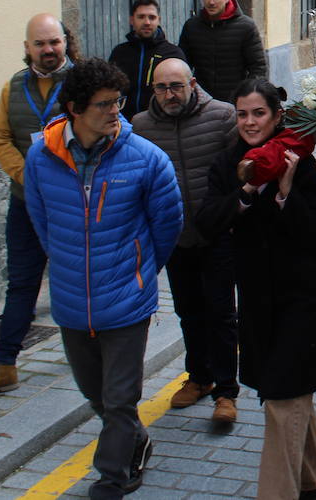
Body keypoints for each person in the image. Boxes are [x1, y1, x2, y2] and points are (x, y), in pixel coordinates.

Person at [23, 59, 183, 499]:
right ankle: (135, 439)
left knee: (118, 398)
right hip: (73, 300)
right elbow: (42, 223)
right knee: (94, 394)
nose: (115, 112)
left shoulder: (147, 159)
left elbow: (167, 226)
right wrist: (69, 265)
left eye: (118, 101)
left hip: (126, 299)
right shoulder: (40, 157)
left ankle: (114, 475)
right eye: (104, 104)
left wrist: (139, 271)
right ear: (74, 108)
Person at [199, 79, 316, 499]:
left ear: (277, 116)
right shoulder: (229, 164)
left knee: (282, 395)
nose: (249, 122)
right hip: (260, 299)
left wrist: (284, 192)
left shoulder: (300, 162)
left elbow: (314, 229)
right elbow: (207, 221)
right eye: (242, 114)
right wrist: (246, 190)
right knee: (289, 390)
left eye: (258, 113)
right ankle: (314, 477)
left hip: (304, 296)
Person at [0, 14, 73, 397]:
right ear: (27, 48)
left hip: (71, 206)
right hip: (25, 204)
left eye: (54, 42)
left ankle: (97, 361)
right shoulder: (13, 87)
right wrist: (27, 176)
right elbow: (1, 136)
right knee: (21, 285)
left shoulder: (81, 83)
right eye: (39, 44)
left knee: (76, 281)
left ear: (65, 42)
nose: (48, 50)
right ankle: (4, 364)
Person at [131, 58, 240, 424]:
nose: (169, 94)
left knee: (221, 313)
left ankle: (227, 390)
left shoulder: (223, 117)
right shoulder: (140, 127)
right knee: (189, 312)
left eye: (176, 86)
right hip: (175, 239)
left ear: (192, 83)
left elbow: (238, 171)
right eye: (161, 88)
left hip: (217, 234)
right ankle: (199, 377)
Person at [178, 0, 268, 104]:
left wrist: (246, 96)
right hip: (202, 103)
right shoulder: (191, 26)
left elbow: (259, 68)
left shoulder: (246, 27)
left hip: (235, 103)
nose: (211, 2)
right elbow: (183, 64)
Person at [108, 0, 185, 121]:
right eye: (141, 17)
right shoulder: (119, 53)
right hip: (124, 123)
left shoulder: (172, 53)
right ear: (132, 20)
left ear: (159, 20)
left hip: (161, 124)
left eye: (152, 17)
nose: (147, 22)